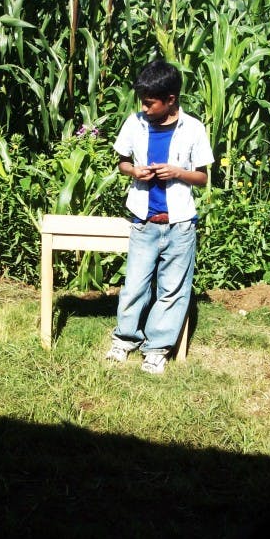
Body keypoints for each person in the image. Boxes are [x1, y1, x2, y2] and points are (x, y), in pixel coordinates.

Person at [105, 59, 214, 375]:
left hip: (179, 224)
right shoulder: (134, 123)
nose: (144, 107)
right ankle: (124, 340)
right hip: (143, 219)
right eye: (142, 101)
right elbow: (122, 162)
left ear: (171, 100)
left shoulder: (193, 128)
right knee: (135, 285)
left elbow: (203, 178)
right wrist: (134, 171)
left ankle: (156, 349)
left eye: (150, 102)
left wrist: (177, 172)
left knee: (172, 289)